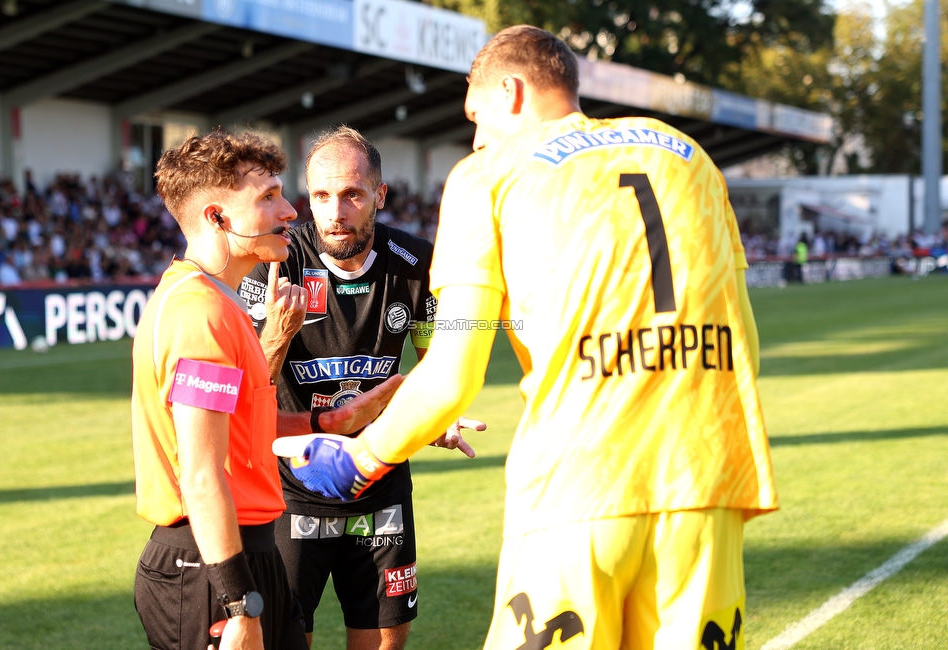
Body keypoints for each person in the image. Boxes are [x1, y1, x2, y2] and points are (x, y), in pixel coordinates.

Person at [288, 25, 778, 650]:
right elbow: (746, 345)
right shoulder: (687, 155)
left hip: (579, 479)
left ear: (512, 92)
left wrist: (361, 459)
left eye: (476, 114)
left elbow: (452, 374)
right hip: (706, 479)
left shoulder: (488, 175)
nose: (476, 137)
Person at [130, 130, 400, 650]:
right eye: (268, 197)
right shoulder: (199, 313)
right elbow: (203, 475)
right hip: (209, 566)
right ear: (217, 217)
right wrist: (240, 605)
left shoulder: (220, 303)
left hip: (250, 553)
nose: (290, 212)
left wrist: (329, 423)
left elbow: (240, 429)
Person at [239, 125, 482, 650]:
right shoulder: (275, 264)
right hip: (290, 490)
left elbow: (437, 359)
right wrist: (277, 333)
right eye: (321, 196)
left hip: (381, 486)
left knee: (384, 641)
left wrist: (440, 412)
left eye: (351, 194)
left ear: (380, 195)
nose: (335, 211)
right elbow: (249, 392)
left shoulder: (416, 264)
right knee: (283, 639)